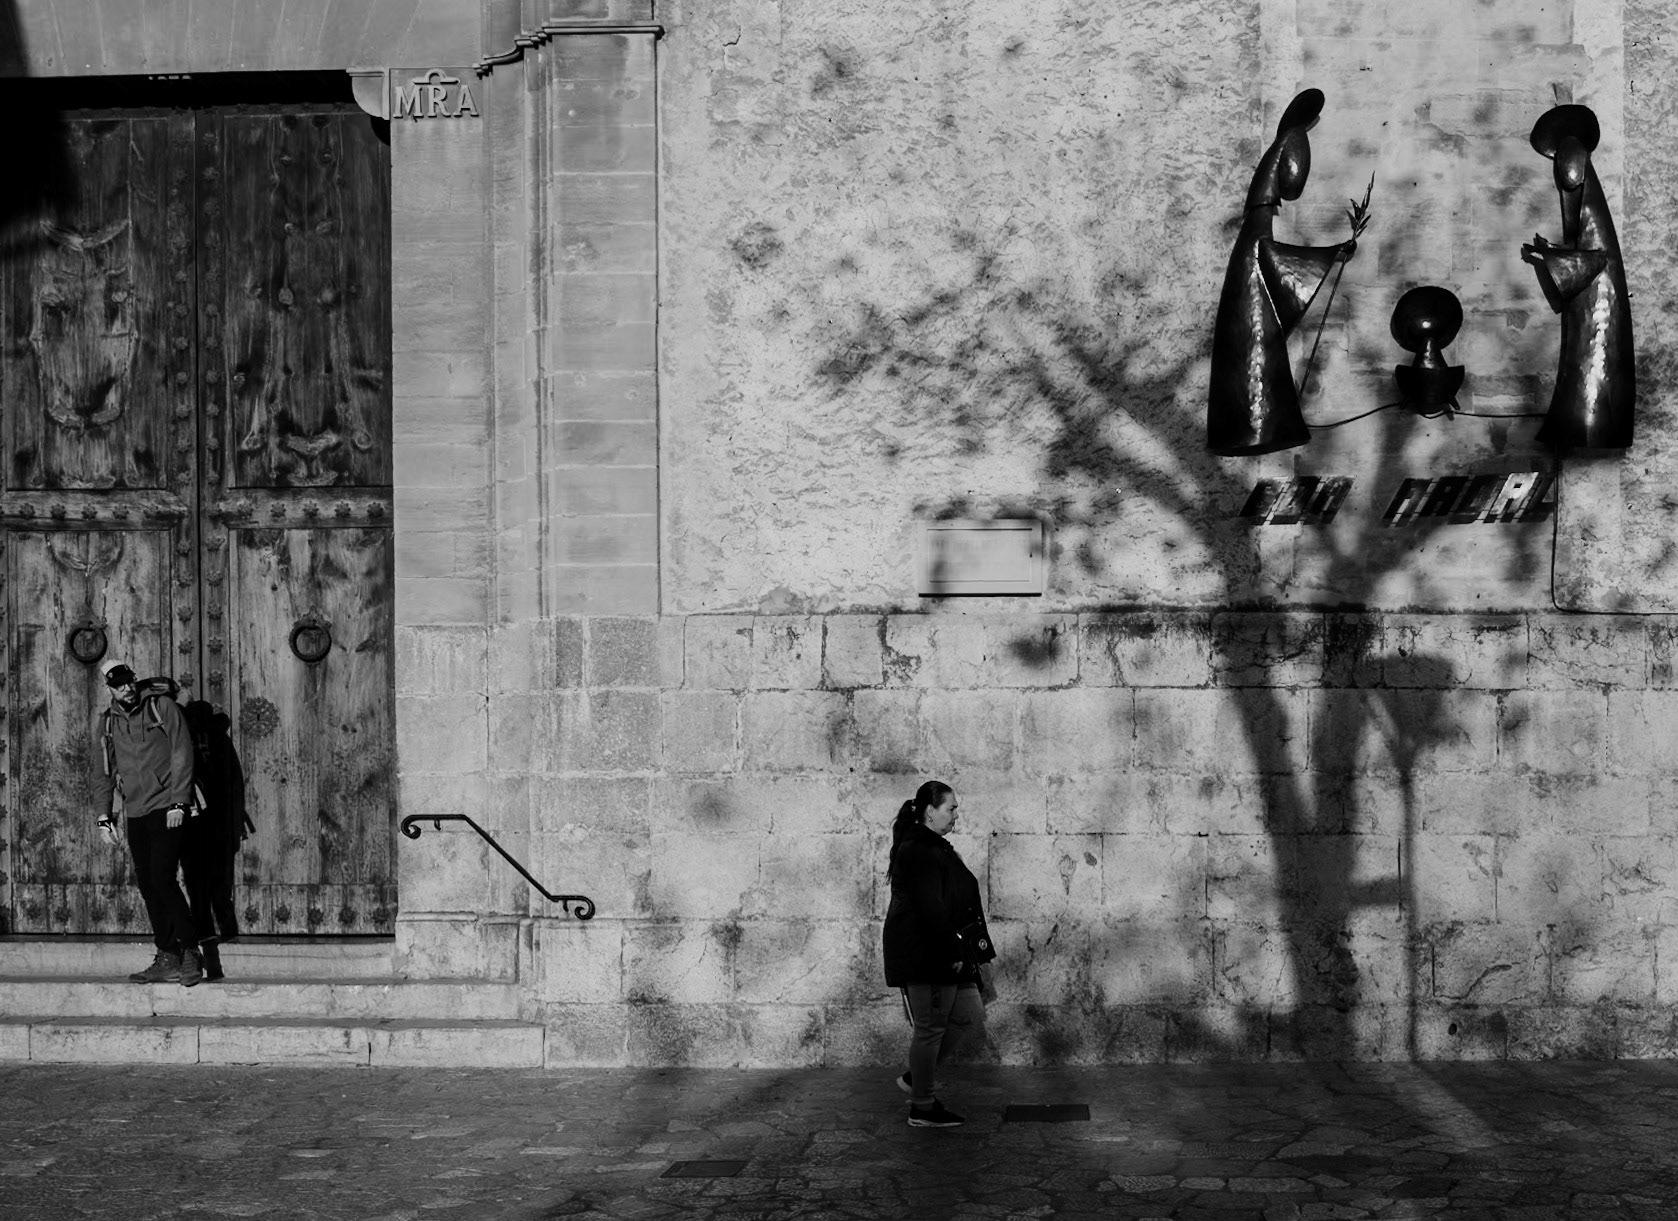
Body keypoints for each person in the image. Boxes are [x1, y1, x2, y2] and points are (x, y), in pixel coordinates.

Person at [881, 780, 993, 1129]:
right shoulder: (916, 849)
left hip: (948, 949)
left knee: (969, 1011)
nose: (957, 816)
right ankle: (922, 1106)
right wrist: (951, 949)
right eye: (951, 809)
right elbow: (930, 906)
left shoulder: (936, 847)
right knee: (929, 1029)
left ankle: (918, 1076)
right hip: (927, 953)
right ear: (930, 811)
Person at [91, 658, 203, 987]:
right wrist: (103, 816)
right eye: (118, 684)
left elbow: (182, 751)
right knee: (148, 884)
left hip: (168, 805)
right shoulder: (108, 722)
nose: (126, 688)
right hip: (135, 811)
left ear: (135, 679)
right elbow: (103, 771)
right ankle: (167, 954)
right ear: (109, 688)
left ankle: (190, 950)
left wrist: (180, 800)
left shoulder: (161, 707)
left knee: (162, 877)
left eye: (129, 681)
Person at [180, 699, 249, 982]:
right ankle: (224, 929)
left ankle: (209, 934)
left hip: (196, 824)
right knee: (216, 881)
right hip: (217, 825)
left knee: (200, 884)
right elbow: (233, 786)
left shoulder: (187, 742)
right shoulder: (219, 743)